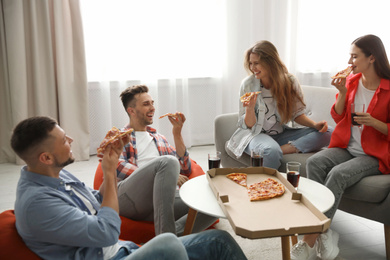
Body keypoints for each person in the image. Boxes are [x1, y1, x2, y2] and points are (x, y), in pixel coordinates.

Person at [11, 116, 248, 260]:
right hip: (111, 255)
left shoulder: (57, 173)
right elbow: (107, 232)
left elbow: (96, 200)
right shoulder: (38, 204)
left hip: (124, 248)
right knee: (167, 243)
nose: (71, 140)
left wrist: (110, 171)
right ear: (45, 158)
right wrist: (109, 171)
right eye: (63, 140)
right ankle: (166, 235)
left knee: (219, 239)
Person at [291, 34, 390, 260]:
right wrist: (343, 94)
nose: (349, 62)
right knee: (315, 162)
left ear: (372, 57)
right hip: (347, 146)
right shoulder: (352, 82)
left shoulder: (388, 89)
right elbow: (337, 114)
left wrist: (375, 123)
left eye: (354, 56)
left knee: (338, 174)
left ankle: (312, 235)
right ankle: (325, 233)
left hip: (374, 155)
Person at [116, 85, 217, 236]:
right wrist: (161, 175)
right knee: (168, 162)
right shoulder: (120, 137)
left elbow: (185, 169)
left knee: (215, 202)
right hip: (130, 198)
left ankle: (167, 237)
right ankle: (166, 245)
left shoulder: (159, 138)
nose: (152, 108)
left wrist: (177, 133)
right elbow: (118, 166)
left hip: (162, 200)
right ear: (131, 111)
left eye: (152, 103)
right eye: (146, 104)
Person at [227, 40, 333, 169]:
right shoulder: (248, 84)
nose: (252, 68)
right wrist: (249, 108)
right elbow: (248, 125)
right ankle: (267, 172)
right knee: (270, 150)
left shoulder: (289, 82)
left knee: (329, 131)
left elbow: (297, 114)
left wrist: (314, 125)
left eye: (256, 63)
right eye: (250, 63)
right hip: (255, 135)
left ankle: (280, 150)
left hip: (281, 135)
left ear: (270, 62)